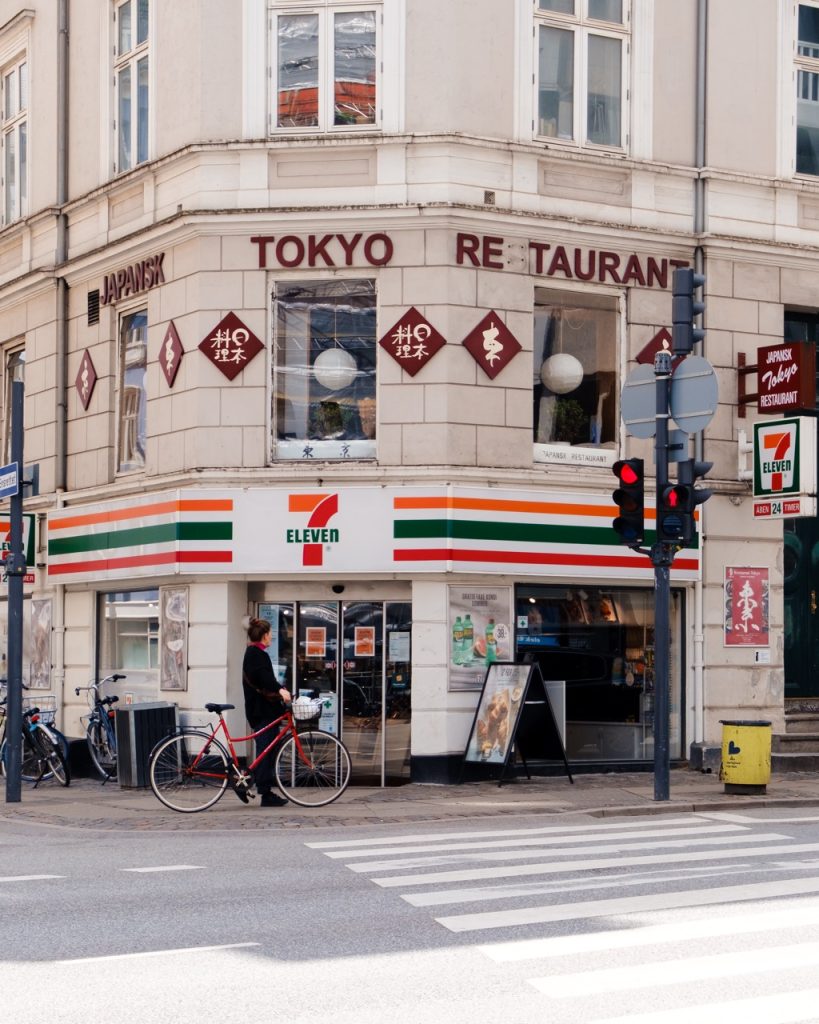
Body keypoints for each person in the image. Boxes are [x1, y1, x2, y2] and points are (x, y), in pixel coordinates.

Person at [242, 617, 292, 808]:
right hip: (261, 711)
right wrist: (281, 691)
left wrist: (280, 689)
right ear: (264, 635)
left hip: (262, 710)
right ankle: (265, 792)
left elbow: (264, 679)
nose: (272, 636)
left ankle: (261, 788)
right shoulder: (256, 654)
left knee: (267, 751)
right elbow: (264, 679)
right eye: (270, 633)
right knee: (265, 752)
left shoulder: (255, 652)